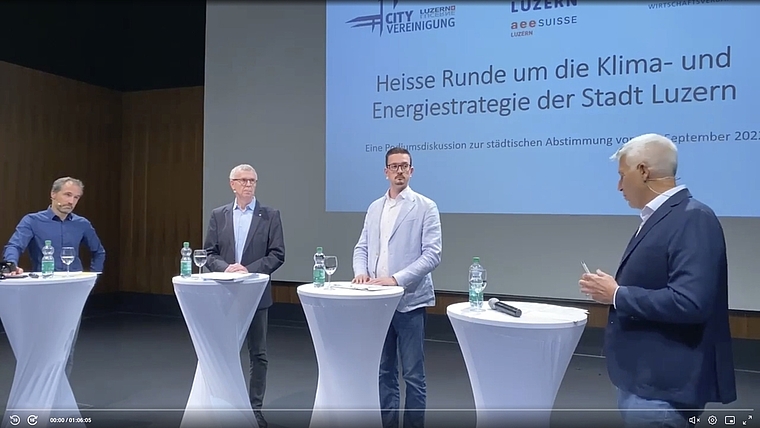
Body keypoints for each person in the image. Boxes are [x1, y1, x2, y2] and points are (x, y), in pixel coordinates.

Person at [579, 133, 736, 428]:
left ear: (643, 171)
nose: (619, 186)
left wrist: (617, 294)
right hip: (644, 383)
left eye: (622, 175)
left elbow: (690, 302)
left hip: (664, 391)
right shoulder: (661, 217)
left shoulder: (693, 217)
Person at [352, 147, 442, 428]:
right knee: (384, 371)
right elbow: (362, 247)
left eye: (404, 166)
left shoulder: (426, 206)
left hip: (409, 301)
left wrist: (396, 279)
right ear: (386, 172)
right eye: (394, 166)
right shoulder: (374, 207)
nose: (399, 171)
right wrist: (361, 272)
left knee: (413, 375)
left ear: (411, 171)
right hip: (378, 302)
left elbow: (432, 255)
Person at [203, 164, 285, 428]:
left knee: (258, 354)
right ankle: (227, 404)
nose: (249, 185)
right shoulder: (219, 215)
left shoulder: (270, 215)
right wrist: (226, 268)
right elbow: (209, 253)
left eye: (252, 181)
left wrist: (248, 270)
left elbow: (277, 254)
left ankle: (254, 408)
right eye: (243, 180)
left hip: (256, 294)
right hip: (226, 294)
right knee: (225, 352)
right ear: (232, 184)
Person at [2, 176, 106, 382]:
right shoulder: (32, 221)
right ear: (53, 194)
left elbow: (99, 252)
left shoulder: (82, 224)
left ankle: (59, 391)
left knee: (66, 346)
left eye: (76, 197)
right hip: (42, 290)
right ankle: (38, 388)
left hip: (72, 291)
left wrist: (93, 278)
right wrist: (11, 265)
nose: (71, 201)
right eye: (67, 195)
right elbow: (14, 245)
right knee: (41, 345)